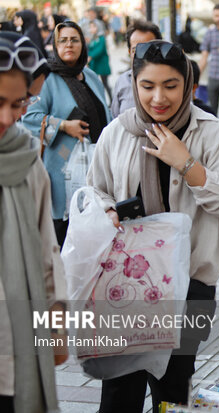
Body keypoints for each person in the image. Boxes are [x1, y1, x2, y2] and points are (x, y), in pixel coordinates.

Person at [87, 40, 219, 411]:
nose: (158, 97)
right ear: (134, 84)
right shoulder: (117, 133)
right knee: (119, 392)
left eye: (171, 86)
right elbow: (95, 190)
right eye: (148, 86)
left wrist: (187, 164)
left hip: (190, 285)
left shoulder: (212, 133)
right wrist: (107, 210)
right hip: (125, 286)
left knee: (173, 389)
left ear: (190, 85)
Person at [0, 34, 66, 413]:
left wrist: (56, 331)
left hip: (17, 345)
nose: (8, 118)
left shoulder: (28, 165)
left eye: (17, 104)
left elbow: (46, 257)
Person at [22, 20, 111, 246]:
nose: (68, 44)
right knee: (65, 230)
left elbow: (106, 112)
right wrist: (63, 125)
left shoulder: (90, 75)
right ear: (54, 45)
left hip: (95, 164)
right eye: (62, 40)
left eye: (74, 40)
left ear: (83, 44)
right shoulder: (47, 78)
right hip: (62, 166)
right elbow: (28, 118)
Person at [110, 19, 161, 118]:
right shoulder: (122, 82)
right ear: (129, 52)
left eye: (148, 48)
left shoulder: (174, 80)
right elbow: (115, 119)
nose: (142, 54)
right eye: (135, 50)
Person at [87, 20, 112, 103]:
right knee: (96, 84)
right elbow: (90, 49)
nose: (91, 29)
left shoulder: (101, 38)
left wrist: (91, 56)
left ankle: (111, 100)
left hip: (102, 64)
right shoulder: (92, 38)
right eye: (90, 27)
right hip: (95, 65)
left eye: (93, 26)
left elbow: (100, 50)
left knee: (105, 83)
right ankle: (101, 101)